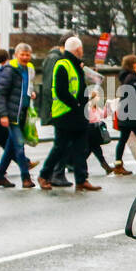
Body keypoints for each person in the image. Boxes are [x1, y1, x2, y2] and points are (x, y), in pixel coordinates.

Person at [38, 37, 100, 192]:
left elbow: (77, 89)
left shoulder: (75, 65)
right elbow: (61, 91)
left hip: (77, 113)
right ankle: (44, 175)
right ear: (78, 50)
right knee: (60, 147)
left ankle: (81, 179)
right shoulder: (62, 64)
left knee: (80, 147)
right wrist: (77, 104)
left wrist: (86, 99)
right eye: (81, 49)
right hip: (65, 113)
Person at [0, 43, 36, 189]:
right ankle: (26, 177)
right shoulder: (10, 70)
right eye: (22, 54)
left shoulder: (29, 70)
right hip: (12, 114)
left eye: (27, 55)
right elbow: (1, 93)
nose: (25, 57)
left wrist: (31, 94)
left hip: (22, 112)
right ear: (16, 55)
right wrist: (2, 114)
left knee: (11, 146)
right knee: (19, 145)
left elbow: (27, 88)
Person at [112, 54, 136, 175]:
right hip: (132, 115)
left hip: (126, 113)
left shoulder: (126, 77)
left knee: (123, 139)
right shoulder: (131, 78)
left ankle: (118, 164)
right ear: (133, 64)